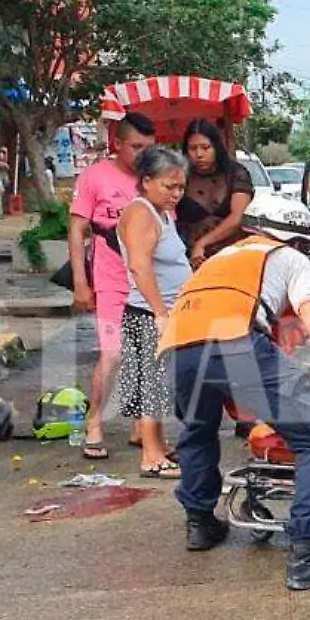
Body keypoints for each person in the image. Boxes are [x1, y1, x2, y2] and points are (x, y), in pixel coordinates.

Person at [163, 202, 310, 591]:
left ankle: (200, 523)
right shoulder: (289, 257)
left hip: (177, 346)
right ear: (298, 238)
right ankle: (309, 555)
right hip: (234, 342)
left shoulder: (224, 258)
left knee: (198, 431)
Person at [69, 113, 156, 461]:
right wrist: (80, 281)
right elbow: (77, 229)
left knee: (145, 354)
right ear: (117, 144)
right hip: (110, 281)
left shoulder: (155, 180)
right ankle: (94, 423)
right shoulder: (94, 178)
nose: (143, 154)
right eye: (136, 147)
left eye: (149, 148)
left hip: (147, 282)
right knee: (113, 353)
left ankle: (141, 427)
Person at [114, 146, 192, 480]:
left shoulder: (161, 213)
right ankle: (151, 456)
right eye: (169, 186)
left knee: (159, 384)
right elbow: (140, 265)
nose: (176, 194)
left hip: (163, 311)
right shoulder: (140, 213)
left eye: (180, 188)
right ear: (146, 181)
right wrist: (160, 313)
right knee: (152, 385)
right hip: (149, 313)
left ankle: (159, 445)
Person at [178, 119, 253, 267]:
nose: (199, 154)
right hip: (189, 257)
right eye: (193, 148)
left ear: (216, 147)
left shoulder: (236, 173)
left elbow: (238, 217)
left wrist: (202, 243)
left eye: (205, 148)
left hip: (231, 254)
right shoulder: (180, 175)